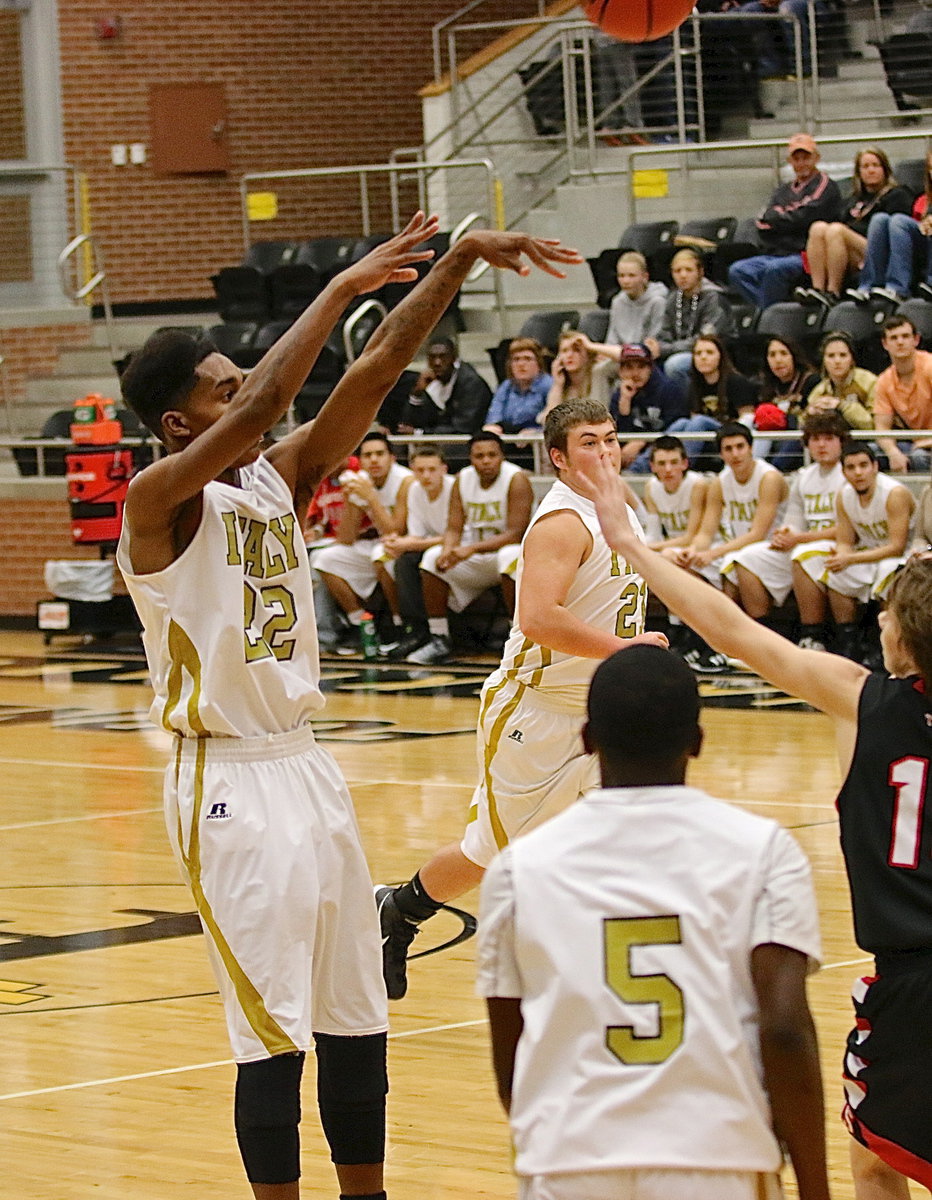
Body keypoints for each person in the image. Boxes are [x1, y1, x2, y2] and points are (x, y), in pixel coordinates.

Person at [113, 213, 583, 1200]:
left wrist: (451, 263)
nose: (244, 394)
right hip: (226, 783)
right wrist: (332, 288)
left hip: (306, 765)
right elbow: (275, 395)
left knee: (354, 1015)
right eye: (220, 388)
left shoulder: (271, 482)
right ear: (178, 425)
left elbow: (367, 376)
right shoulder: (157, 503)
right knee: (274, 1035)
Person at [571, 453, 932, 1200]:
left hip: (910, 985)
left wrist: (633, 547)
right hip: (908, 979)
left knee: (878, 1159)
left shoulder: (863, 702)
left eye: (889, 613)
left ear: (904, 636)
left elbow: (736, 633)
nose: (881, 620)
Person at [478, 644, 829, 1200]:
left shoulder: (517, 870)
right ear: (697, 741)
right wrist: (815, 1187)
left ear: (587, 740)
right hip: (717, 1159)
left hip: (569, 1161)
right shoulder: (763, 850)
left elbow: (510, 1043)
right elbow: (785, 1028)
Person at [377, 399, 668, 1000]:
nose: (606, 451)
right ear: (558, 459)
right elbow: (537, 617)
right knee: (493, 853)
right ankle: (398, 913)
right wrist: (623, 649)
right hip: (535, 712)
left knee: (617, 842)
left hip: (599, 711)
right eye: (589, 442)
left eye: (611, 439)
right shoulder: (561, 522)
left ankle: (595, 979)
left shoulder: (622, 508)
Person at [410, 431, 534, 665]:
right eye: (479, 456)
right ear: (470, 458)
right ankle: (440, 637)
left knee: (510, 556)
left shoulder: (516, 479)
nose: (485, 461)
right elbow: (454, 527)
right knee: (431, 558)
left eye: (491, 455)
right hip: (477, 558)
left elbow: (516, 533)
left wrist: (470, 549)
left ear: (502, 457)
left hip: (507, 553)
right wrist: (448, 549)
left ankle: (516, 640)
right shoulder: (463, 479)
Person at [731, 412, 846, 645]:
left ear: (842, 441)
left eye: (828, 438)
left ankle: (812, 636)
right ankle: (762, 639)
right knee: (746, 558)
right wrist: (784, 534)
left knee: (803, 556)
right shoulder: (804, 476)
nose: (821, 445)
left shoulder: (849, 473)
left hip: (839, 546)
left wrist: (799, 538)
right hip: (806, 544)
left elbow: (848, 529)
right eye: (815, 439)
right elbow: (793, 520)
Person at [795, 441, 914, 664]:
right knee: (836, 571)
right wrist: (841, 555)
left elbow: (897, 547)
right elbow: (845, 541)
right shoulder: (844, 496)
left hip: (902, 558)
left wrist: (849, 557)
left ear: (875, 467)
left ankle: (884, 646)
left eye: (863, 465)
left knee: (887, 570)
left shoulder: (893, 493)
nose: (858, 473)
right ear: (843, 472)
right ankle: (847, 640)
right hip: (868, 555)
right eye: (851, 467)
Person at [312, 432, 413, 652]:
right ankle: (360, 623)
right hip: (374, 543)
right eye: (368, 455)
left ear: (392, 458)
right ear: (360, 461)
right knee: (325, 558)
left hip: (405, 543)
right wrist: (351, 499)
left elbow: (395, 530)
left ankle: (398, 625)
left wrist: (371, 498)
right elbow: (345, 539)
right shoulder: (360, 480)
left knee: (382, 555)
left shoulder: (405, 481)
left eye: (379, 454)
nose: (374, 460)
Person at [675, 422, 789, 600]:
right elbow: (706, 532)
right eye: (728, 449)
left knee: (737, 562)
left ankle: (755, 623)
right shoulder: (720, 482)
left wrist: (713, 553)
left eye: (740, 447)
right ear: (721, 454)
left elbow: (758, 534)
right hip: (738, 547)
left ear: (751, 448)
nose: (735, 454)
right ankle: (696, 624)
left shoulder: (769, 478)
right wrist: (693, 550)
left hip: (772, 548)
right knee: (682, 563)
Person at [729, 133, 842, 309]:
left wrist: (780, 218)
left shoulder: (825, 185)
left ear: (816, 158)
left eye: (806, 157)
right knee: (739, 271)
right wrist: (788, 220)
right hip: (777, 253)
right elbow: (762, 223)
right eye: (796, 158)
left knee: (774, 270)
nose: (801, 163)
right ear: (790, 161)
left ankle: (766, 317)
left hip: (807, 255)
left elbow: (806, 217)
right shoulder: (781, 191)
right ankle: (769, 312)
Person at [795, 146, 912, 307]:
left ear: (885, 169)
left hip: (879, 253)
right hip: (850, 252)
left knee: (836, 230)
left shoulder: (898, 194)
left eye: (875, 165)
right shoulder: (853, 200)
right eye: (865, 167)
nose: (871, 170)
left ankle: (833, 292)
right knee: (818, 228)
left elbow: (898, 237)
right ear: (858, 173)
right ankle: (818, 289)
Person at [376, 444, 454, 662]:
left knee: (420, 557)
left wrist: (408, 545)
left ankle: (438, 636)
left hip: (458, 549)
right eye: (420, 470)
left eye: (431, 469)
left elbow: (453, 536)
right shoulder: (415, 490)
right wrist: (397, 541)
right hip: (433, 547)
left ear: (444, 469)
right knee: (395, 559)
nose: (426, 475)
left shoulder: (454, 488)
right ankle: (415, 630)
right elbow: (417, 535)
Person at [848, 148, 932, 304]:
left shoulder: (900, 193)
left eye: (875, 165)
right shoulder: (924, 199)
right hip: (922, 241)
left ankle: (899, 288)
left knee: (899, 221)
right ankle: (870, 285)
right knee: (880, 219)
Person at [666, 334, 759, 465]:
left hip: (730, 433)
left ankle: (682, 465)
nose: (703, 357)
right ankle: (644, 466)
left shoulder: (737, 382)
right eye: (698, 354)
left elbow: (747, 418)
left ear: (720, 356)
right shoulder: (694, 385)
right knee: (681, 424)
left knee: (700, 421)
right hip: (705, 437)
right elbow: (694, 417)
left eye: (709, 353)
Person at [646, 247, 734, 384]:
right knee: (642, 363)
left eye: (688, 270)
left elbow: (706, 339)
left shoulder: (713, 298)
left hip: (713, 353)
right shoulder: (673, 298)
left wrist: (664, 349)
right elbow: (664, 332)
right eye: (677, 271)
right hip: (680, 350)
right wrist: (655, 346)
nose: (683, 275)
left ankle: (687, 404)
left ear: (700, 272)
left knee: (675, 365)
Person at [602, 341, 688, 470]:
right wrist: (624, 404)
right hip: (629, 456)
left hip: (663, 452)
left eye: (641, 367)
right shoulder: (619, 394)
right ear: (620, 371)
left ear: (650, 368)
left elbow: (675, 428)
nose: (635, 373)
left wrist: (641, 442)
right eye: (629, 367)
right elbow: (616, 435)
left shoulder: (669, 389)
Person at [397, 335, 492, 437]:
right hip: (436, 442)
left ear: (453, 358)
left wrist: (421, 433)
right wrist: (417, 392)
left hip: (468, 442)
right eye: (432, 357)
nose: (437, 362)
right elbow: (409, 423)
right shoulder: (429, 381)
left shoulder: (471, 383)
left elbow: (464, 426)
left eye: (443, 356)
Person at [873, 313, 932, 473]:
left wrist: (926, 442)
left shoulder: (929, 367)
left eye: (905, 336)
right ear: (885, 343)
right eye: (894, 338)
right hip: (915, 443)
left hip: (924, 445)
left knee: (918, 457)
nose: (900, 342)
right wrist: (893, 452)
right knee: (870, 452)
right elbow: (881, 428)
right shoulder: (884, 380)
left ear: (916, 340)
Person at [753, 336, 820, 469]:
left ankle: (770, 472)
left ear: (794, 356)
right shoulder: (765, 385)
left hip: (799, 437)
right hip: (772, 439)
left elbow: (810, 420)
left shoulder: (811, 380)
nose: (778, 360)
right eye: (772, 355)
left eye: (783, 354)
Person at [806, 331, 876, 431]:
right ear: (823, 361)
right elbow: (803, 427)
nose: (837, 361)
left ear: (852, 359)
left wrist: (842, 406)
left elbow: (873, 426)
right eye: (831, 356)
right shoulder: (820, 390)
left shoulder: (869, 382)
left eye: (843, 355)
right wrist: (810, 414)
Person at [483, 337, 552, 438]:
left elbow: (554, 424)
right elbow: (494, 414)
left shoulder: (548, 385)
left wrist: (537, 432)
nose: (521, 364)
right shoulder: (506, 386)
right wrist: (493, 426)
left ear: (539, 363)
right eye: (516, 359)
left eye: (527, 359)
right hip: (510, 439)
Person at [542, 330, 615, 417]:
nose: (569, 355)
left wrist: (590, 345)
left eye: (576, 350)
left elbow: (627, 355)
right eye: (564, 351)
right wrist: (558, 386)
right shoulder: (560, 383)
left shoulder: (599, 372)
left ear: (588, 354)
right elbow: (549, 422)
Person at [606, 249, 668, 346]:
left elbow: (655, 339)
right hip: (620, 353)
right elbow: (612, 338)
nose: (625, 281)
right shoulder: (617, 301)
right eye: (621, 276)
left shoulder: (658, 302)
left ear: (645, 277)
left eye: (631, 276)